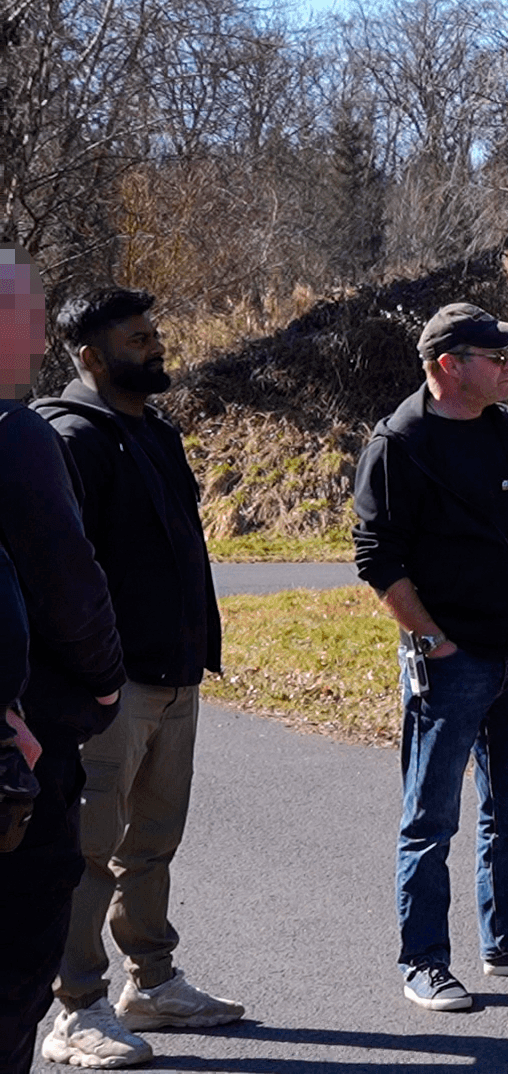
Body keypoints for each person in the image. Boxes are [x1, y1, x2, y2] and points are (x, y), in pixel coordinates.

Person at [352, 301, 508, 1013]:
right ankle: (423, 960)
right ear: (449, 365)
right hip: (451, 663)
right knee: (430, 820)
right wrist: (434, 639)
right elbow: (376, 559)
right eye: (497, 357)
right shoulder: (400, 443)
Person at [32, 287, 242, 1068]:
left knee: (151, 844)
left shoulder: (156, 434)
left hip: (174, 674)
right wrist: (89, 676)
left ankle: (150, 982)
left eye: (156, 330)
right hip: (104, 689)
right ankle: (75, 1008)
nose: (156, 345)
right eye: (137, 336)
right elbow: (57, 570)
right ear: (90, 354)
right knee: (87, 849)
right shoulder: (67, 438)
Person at [0, 247, 126, 1074]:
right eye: (23, 313)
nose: (38, 328)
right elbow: (66, 574)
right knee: (15, 958)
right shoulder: (16, 434)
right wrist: (108, 677)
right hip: (23, 736)